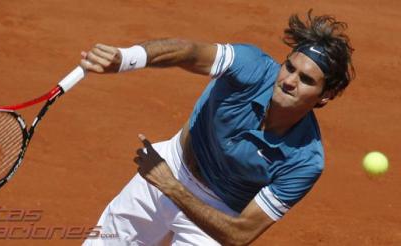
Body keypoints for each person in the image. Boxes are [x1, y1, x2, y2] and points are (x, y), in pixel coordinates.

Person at [81, 9, 354, 246]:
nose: (289, 81)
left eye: (305, 79)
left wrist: (170, 185)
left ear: (325, 95)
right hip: (172, 165)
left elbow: (239, 235)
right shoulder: (252, 67)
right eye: (289, 67)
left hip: (213, 216)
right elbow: (189, 53)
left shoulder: (304, 162)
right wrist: (127, 58)